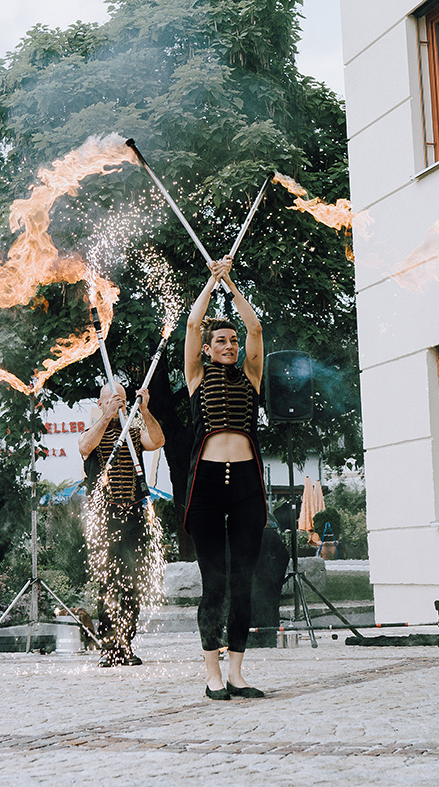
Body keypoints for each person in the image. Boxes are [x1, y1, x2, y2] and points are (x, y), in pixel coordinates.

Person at [184, 254, 267, 700]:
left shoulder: (251, 375)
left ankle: (237, 672)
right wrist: (210, 281)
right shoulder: (197, 375)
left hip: (247, 486)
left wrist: (231, 284)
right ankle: (212, 673)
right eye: (222, 340)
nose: (230, 345)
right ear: (209, 348)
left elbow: (256, 328)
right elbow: (192, 325)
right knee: (215, 580)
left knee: (243, 580)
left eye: (233, 340)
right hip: (208, 487)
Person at [78, 381, 165, 667]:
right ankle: (109, 648)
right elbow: (85, 446)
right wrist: (107, 416)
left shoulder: (134, 433)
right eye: (113, 400)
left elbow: (158, 441)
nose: (118, 405)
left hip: (134, 518)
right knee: (108, 585)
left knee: (131, 585)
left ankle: (126, 645)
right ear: (101, 403)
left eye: (122, 401)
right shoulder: (92, 431)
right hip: (106, 518)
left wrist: (145, 409)